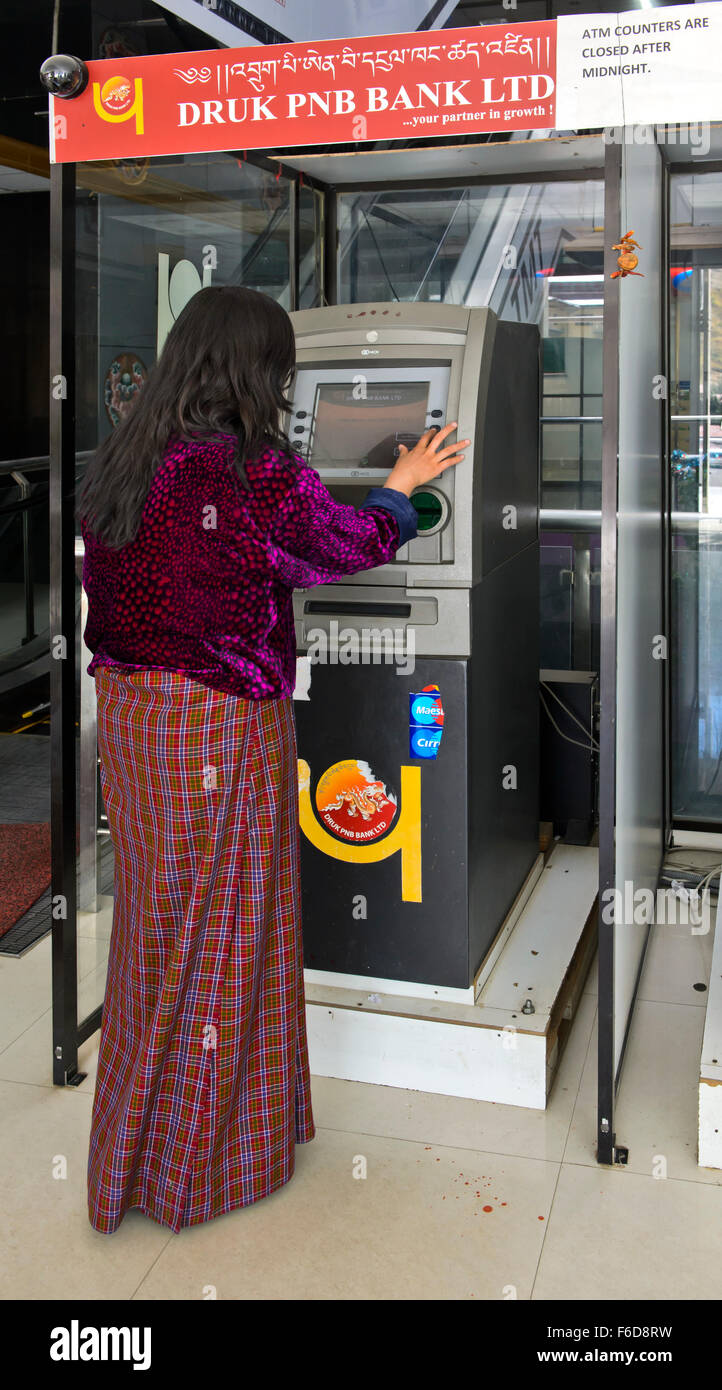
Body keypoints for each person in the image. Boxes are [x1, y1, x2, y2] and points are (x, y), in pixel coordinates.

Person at [77, 284, 468, 1234]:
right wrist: (402, 490)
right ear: (262, 371)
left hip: (134, 721)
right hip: (220, 724)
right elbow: (341, 545)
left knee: (155, 929)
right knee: (227, 936)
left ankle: (124, 1157)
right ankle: (197, 1171)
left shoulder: (124, 458)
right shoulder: (253, 469)